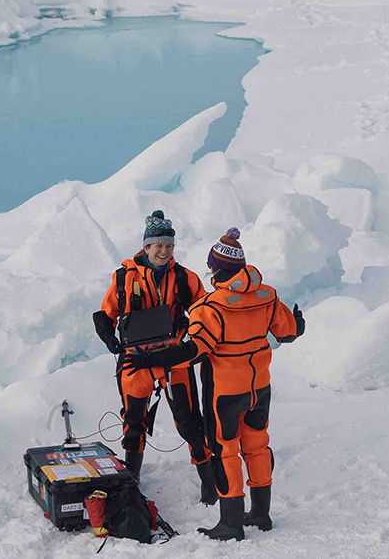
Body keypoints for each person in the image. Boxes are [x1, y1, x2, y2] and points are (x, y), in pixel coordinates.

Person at [119, 227, 306, 541]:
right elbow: (288, 332)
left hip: (225, 392)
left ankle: (231, 523)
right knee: (258, 446)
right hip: (259, 387)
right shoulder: (267, 294)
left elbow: (193, 352)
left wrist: (148, 361)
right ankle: (261, 514)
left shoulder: (212, 307)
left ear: (217, 269)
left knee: (226, 452)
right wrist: (299, 323)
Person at [93, 210, 218, 505]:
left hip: (174, 358)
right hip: (136, 361)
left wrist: (198, 340)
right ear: (146, 247)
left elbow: (203, 311)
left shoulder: (185, 278)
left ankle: (209, 482)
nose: (164, 251)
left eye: (169, 246)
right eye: (158, 245)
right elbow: (105, 313)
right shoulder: (123, 277)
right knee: (134, 423)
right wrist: (109, 338)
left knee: (189, 422)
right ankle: (132, 480)